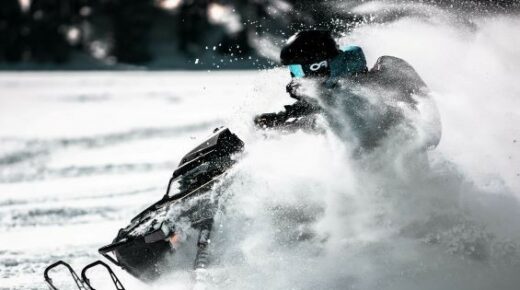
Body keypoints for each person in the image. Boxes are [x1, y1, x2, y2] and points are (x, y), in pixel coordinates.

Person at [254, 30, 441, 150]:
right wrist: (282, 123)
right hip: (361, 178)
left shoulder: (376, 81)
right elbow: (322, 120)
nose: (296, 78)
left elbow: (342, 105)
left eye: (298, 70)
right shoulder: (333, 93)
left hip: (391, 174)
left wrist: (287, 116)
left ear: (317, 66)